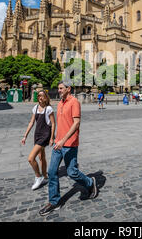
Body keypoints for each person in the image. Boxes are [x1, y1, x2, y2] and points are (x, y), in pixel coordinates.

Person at [39, 81, 98, 216]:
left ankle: (90, 182)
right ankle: (54, 202)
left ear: (68, 89)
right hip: (58, 144)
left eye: (61, 88)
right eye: (58, 88)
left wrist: (64, 140)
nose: (59, 90)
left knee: (72, 172)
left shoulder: (74, 102)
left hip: (70, 144)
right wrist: (53, 138)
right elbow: (60, 124)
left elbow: (76, 123)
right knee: (52, 171)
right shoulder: (60, 103)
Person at [22, 90, 55, 190]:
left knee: (31, 158)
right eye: (39, 96)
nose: (40, 97)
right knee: (41, 157)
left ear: (46, 97)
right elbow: (31, 123)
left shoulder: (49, 109)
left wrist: (52, 137)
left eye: (42, 96)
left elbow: (53, 124)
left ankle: (38, 176)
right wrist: (25, 136)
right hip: (37, 134)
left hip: (45, 135)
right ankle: (45, 176)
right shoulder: (35, 108)